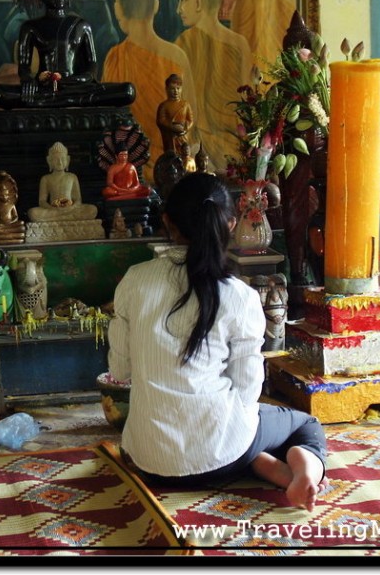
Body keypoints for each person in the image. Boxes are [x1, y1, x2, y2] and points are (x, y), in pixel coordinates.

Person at [108, 173, 327, 510]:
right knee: (305, 426)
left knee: (240, 431)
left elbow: (120, 372)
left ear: (167, 222)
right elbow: (247, 390)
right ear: (229, 224)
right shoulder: (239, 295)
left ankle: (267, 465)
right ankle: (302, 471)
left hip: (148, 460)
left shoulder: (135, 280)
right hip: (222, 456)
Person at [0, 0, 136, 109]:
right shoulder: (31, 27)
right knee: (0, 94)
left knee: (127, 91)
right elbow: (24, 67)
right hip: (44, 87)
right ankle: (61, 99)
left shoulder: (81, 26)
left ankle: (56, 100)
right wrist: (29, 81)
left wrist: (71, 81)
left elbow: (92, 68)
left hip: (75, 87)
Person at [102, 0, 195, 180]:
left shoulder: (114, 57)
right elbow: (191, 118)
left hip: (131, 169)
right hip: (173, 168)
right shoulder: (176, 56)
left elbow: (109, 121)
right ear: (155, 6)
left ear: (117, 9)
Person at [175, 0, 252, 172]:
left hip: (199, 150)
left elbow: (183, 106)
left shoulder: (183, 44)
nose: (178, 8)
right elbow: (248, 105)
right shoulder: (240, 43)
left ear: (198, 2)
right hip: (235, 150)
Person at [29, 142, 98, 222]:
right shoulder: (46, 178)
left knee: (92, 209)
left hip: (70, 209)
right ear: (49, 161)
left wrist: (71, 208)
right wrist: (53, 208)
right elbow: (42, 201)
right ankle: (67, 218)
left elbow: (78, 200)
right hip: (53, 210)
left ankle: (57, 219)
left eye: (62, 159)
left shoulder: (72, 177)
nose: (60, 162)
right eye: (56, 159)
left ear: (68, 160)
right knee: (33, 213)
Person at [156, 74, 195, 156]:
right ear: (167, 89)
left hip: (183, 136)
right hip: (170, 138)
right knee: (171, 155)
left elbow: (190, 120)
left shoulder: (185, 104)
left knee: (184, 155)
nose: (176, 91)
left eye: (178, 88)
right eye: (172, 89)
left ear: (181, 89)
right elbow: (160, 121)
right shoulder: (164, 105)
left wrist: (185, 128)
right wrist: (172, 126)